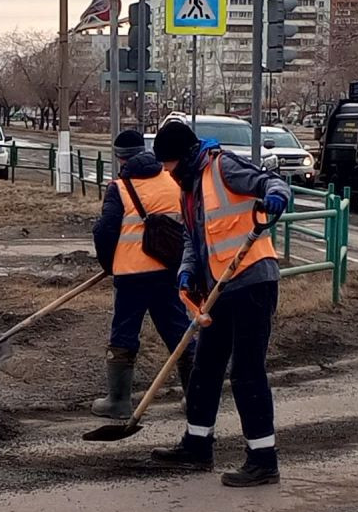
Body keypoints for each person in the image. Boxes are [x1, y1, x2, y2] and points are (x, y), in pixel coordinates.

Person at [150, 119, 292, 486]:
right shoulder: (189, 187)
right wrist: (186, 270)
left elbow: (271, 182)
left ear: (183, 156)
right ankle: (197, 446)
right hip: (219, 286)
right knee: (205, 367)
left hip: (253, 282)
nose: (167, 173)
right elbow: (192, 239)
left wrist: (277, 198)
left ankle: (263, 459)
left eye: (168, 166)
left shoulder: (223, 166)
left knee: (246, 372)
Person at [90, 128, 192, 420]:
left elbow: (106, 230)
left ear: (120, 158)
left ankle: (118, 402)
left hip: (132, 274)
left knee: (124, 332)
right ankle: (196, 395)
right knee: (177, 329)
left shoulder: (119, 187)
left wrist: (109, 265)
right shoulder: (172, 180)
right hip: (168, 269)